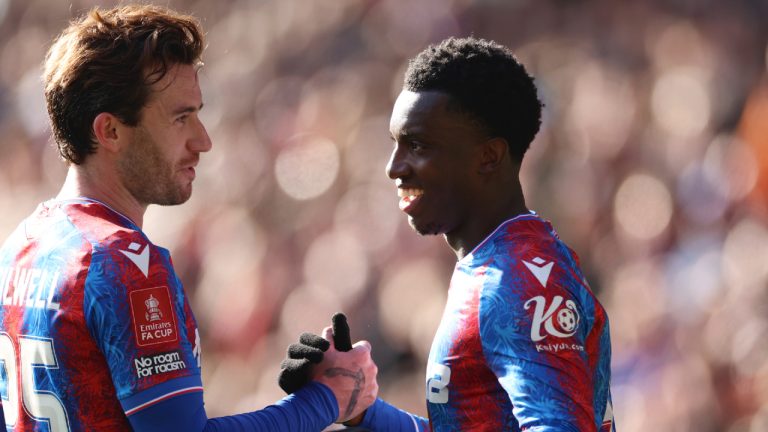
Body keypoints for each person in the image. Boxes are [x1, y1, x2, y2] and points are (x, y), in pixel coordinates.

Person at [0, 4, 377, 431]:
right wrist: (328, 399)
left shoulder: (18, 249)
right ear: (110, 131)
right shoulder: (124, 262)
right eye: (181, 118)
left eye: (199, 114)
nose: (204, 140)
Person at [284, 37, 615, 431]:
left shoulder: (520, 282)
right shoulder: (498, 263)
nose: (394, 167)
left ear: (488, 157)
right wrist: (359, 408)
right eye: (396, 144)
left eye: (418, 145)